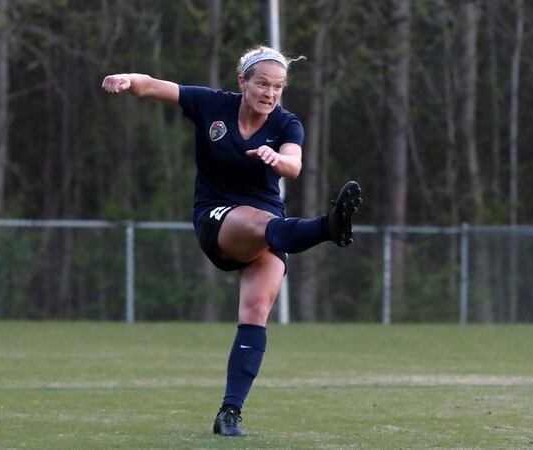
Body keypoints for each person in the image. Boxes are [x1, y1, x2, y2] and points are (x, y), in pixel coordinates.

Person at [101, 45, 362, 437]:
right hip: (217, 218)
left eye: (278, 88)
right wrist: (128, 80)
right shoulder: (212, 105)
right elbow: (156, 87)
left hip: (270, 227)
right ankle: (328, 227)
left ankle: (229, 414)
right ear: (243, 81)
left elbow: (294, 164)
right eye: (262, 84)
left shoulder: (287, 124)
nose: (270, 94)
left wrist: (278, 161)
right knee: (262, 222)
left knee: (256, 312)